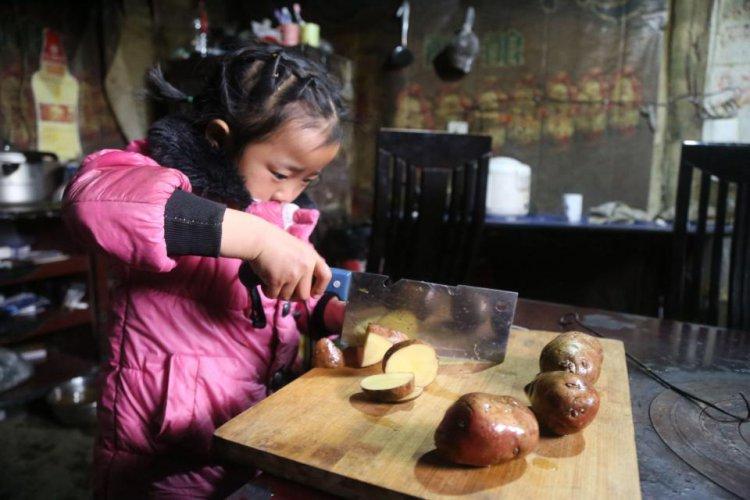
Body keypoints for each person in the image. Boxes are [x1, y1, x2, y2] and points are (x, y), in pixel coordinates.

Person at [62, 43, 347, 498]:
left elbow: (286, 297)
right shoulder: (160, 172)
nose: (289, 194)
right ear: (219, 137)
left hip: (247, 429)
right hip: (162, 451)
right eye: (280, 173)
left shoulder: (287, 215)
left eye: (307, 180)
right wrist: (255, 237)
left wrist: (325, 310)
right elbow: (92, 204)